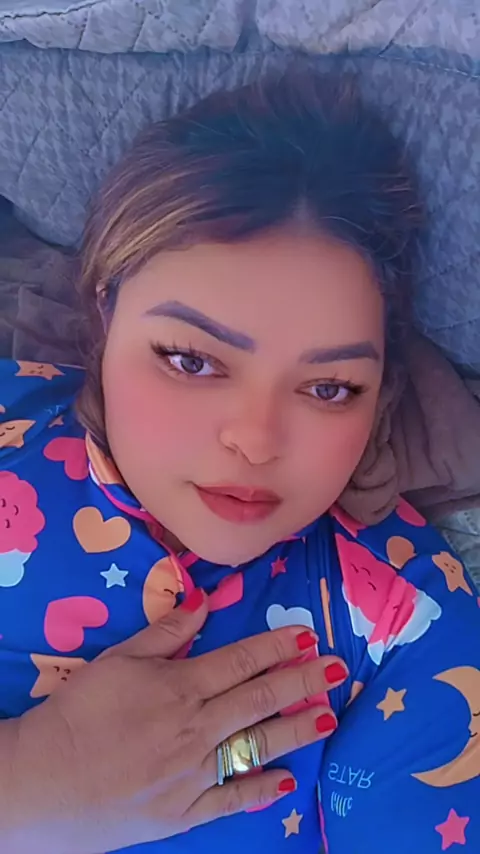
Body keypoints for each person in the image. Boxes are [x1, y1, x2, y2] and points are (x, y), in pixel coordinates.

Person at [0, 68, 478, 854]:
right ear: (104, 311)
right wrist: (25, 783)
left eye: (328, 387)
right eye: (192, 360)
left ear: (382, 389)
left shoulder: (409, 625)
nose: (256, 441)